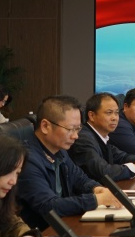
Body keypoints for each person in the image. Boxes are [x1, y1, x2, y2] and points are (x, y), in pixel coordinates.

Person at [16, 95, 122, 230]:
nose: (75, 136)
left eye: (78, 129)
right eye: (70, 129)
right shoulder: (26, 160)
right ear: (45, 126)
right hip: (43, 234)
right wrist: (96, 200)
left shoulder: (59, 150)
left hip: (64, 225)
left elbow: (79, 178)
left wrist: (96, 189)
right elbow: (48, 206)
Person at [70, 93, 135, 182]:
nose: (114, 118)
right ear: (92, 116)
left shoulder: (101, 135)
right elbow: (104, 171)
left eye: (116, 113)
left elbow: (121, 156)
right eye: (109, 113)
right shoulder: (84, 138)